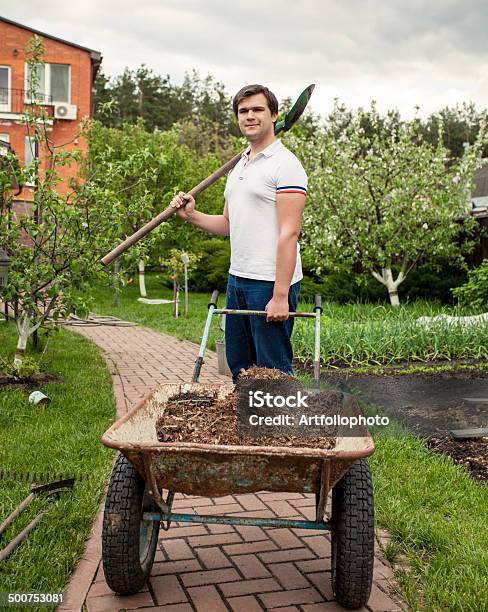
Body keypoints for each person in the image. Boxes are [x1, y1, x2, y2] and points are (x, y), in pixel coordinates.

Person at [170, 84, 307, 382]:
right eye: (243, 111)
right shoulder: (239, 165)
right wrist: (191, 215)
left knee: (272, 370)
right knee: (240, 365)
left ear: (274, 115)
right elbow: (228, 224)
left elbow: (289, 233)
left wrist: (280, 295)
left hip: (269, 281)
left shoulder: (286, 165)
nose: (250, 116)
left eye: (258, 109)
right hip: (239, 278)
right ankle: (248, 423)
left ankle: (279, 427)